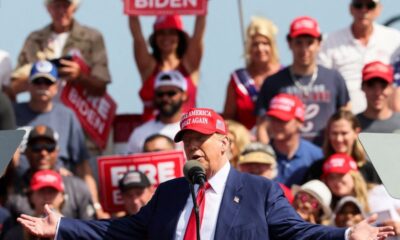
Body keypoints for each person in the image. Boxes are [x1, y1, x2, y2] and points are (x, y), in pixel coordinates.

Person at [17, 108, 395, 239]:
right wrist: (63, 227)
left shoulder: (260, 191)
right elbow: (119, 231)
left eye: (202, 138)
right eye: (187, 139)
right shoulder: (168, 194)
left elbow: (298, 233)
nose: (193, 146)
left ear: (225, 143)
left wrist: (347, 234)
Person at [13, 61, 106, 218]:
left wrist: (97, 206)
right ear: (28, 86)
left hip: (58, 188)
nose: (43, 86)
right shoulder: (12, 112)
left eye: (48, 82)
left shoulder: (67, 115)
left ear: (56, 87)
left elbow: (82, 164)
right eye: (37, 81)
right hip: (19, 189)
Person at [255, 16, 350, 146]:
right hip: (285, 159)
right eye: (299, 42)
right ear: (289, 43)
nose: (304, 49)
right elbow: (262, 126)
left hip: (327, 156)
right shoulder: (273, 82)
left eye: (310, 42)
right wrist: (267, 156)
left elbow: (347, 118)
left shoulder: (334, 78)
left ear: (319, 44)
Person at [10, 0, 111, 100]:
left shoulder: (92, 38)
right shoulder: (34, 40)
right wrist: (39, 75)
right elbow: (13, 87)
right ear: (48, 8)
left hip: (77, 112)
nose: (61, 11)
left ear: (74, 7)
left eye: (66, 5)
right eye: (57, 6)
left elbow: (101, 86)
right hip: (42, 112)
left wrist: (80, 76)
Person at [318, 0, 400, 114]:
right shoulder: (330, 41)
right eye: (358, 5)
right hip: (344, 123)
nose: (364, 10)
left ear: (379, 9)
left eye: (370, 6)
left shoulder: (395, 38)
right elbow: (322, 82)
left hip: (385, 123)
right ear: (351, 9)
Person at [6, 125, 94, 220]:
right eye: (36, 147)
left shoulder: (77, 187)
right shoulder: (13, 190)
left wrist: (63, 228)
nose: (43, 153)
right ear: (27, 152)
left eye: (49, 147)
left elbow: (89, 229)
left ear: (57, 151)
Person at [129, 13, 206, 121]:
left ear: (179, 36)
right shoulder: (148, 66)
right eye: (161, 33)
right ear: (155, 37)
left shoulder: (189, 64)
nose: (166, 38)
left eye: (171, 32)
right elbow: (138, 37)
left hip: (186, 132)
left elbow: (198, 35)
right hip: (153, 133)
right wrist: (131, 8)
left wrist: (202, 8)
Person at [223, 16, 281, 130]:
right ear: (249, 47)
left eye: (265, 43)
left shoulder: (284, 75)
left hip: (279, 142)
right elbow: (228, 118)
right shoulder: (238, 79)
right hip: (246, 143)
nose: (260, 48)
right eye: (255, 44)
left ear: (272, 46)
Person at [305, 110, 381, 185]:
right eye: (334, 133)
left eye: (344, 133)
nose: (339, 139)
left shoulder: (368, 170)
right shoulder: (317, 169)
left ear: (356, 133)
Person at [266, 93, 323, 187]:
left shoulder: (317, 156)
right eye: (272, 119)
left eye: (282, 120)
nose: (276, 125)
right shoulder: (259, 155)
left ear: (300, 122)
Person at [125, 70, 187, 154]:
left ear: (184, 95)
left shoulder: (193, 129)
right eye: (160, 94)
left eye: (171, 93)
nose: (165, 98)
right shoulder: (139, 134)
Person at [4, 170, 65, 240]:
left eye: (52, 191)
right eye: (41, 191)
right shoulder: (15, 234)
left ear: (62, 196)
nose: (47, 197)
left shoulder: (73, 231)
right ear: (30, 196)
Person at [357, 61, 400, 133]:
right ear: (362, 87)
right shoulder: (351, 125)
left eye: (383, 86)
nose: (377, 93)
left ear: (391, 88)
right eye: (371, 85)